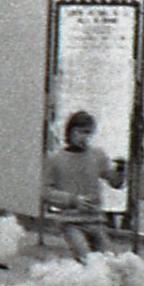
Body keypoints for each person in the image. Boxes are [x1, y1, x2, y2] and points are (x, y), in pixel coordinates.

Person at [43, 110, 124, 260]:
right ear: (70, 132)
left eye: (88, 133)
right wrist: (72, 200)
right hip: (71, 222)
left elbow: (115, 183)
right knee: (85, 258)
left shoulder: (97, 155)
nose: (84, 137)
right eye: (80, 132)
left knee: (110, 259)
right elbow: (46, 192)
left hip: (95, 220)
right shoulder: (56, 159)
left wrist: (120, 170)